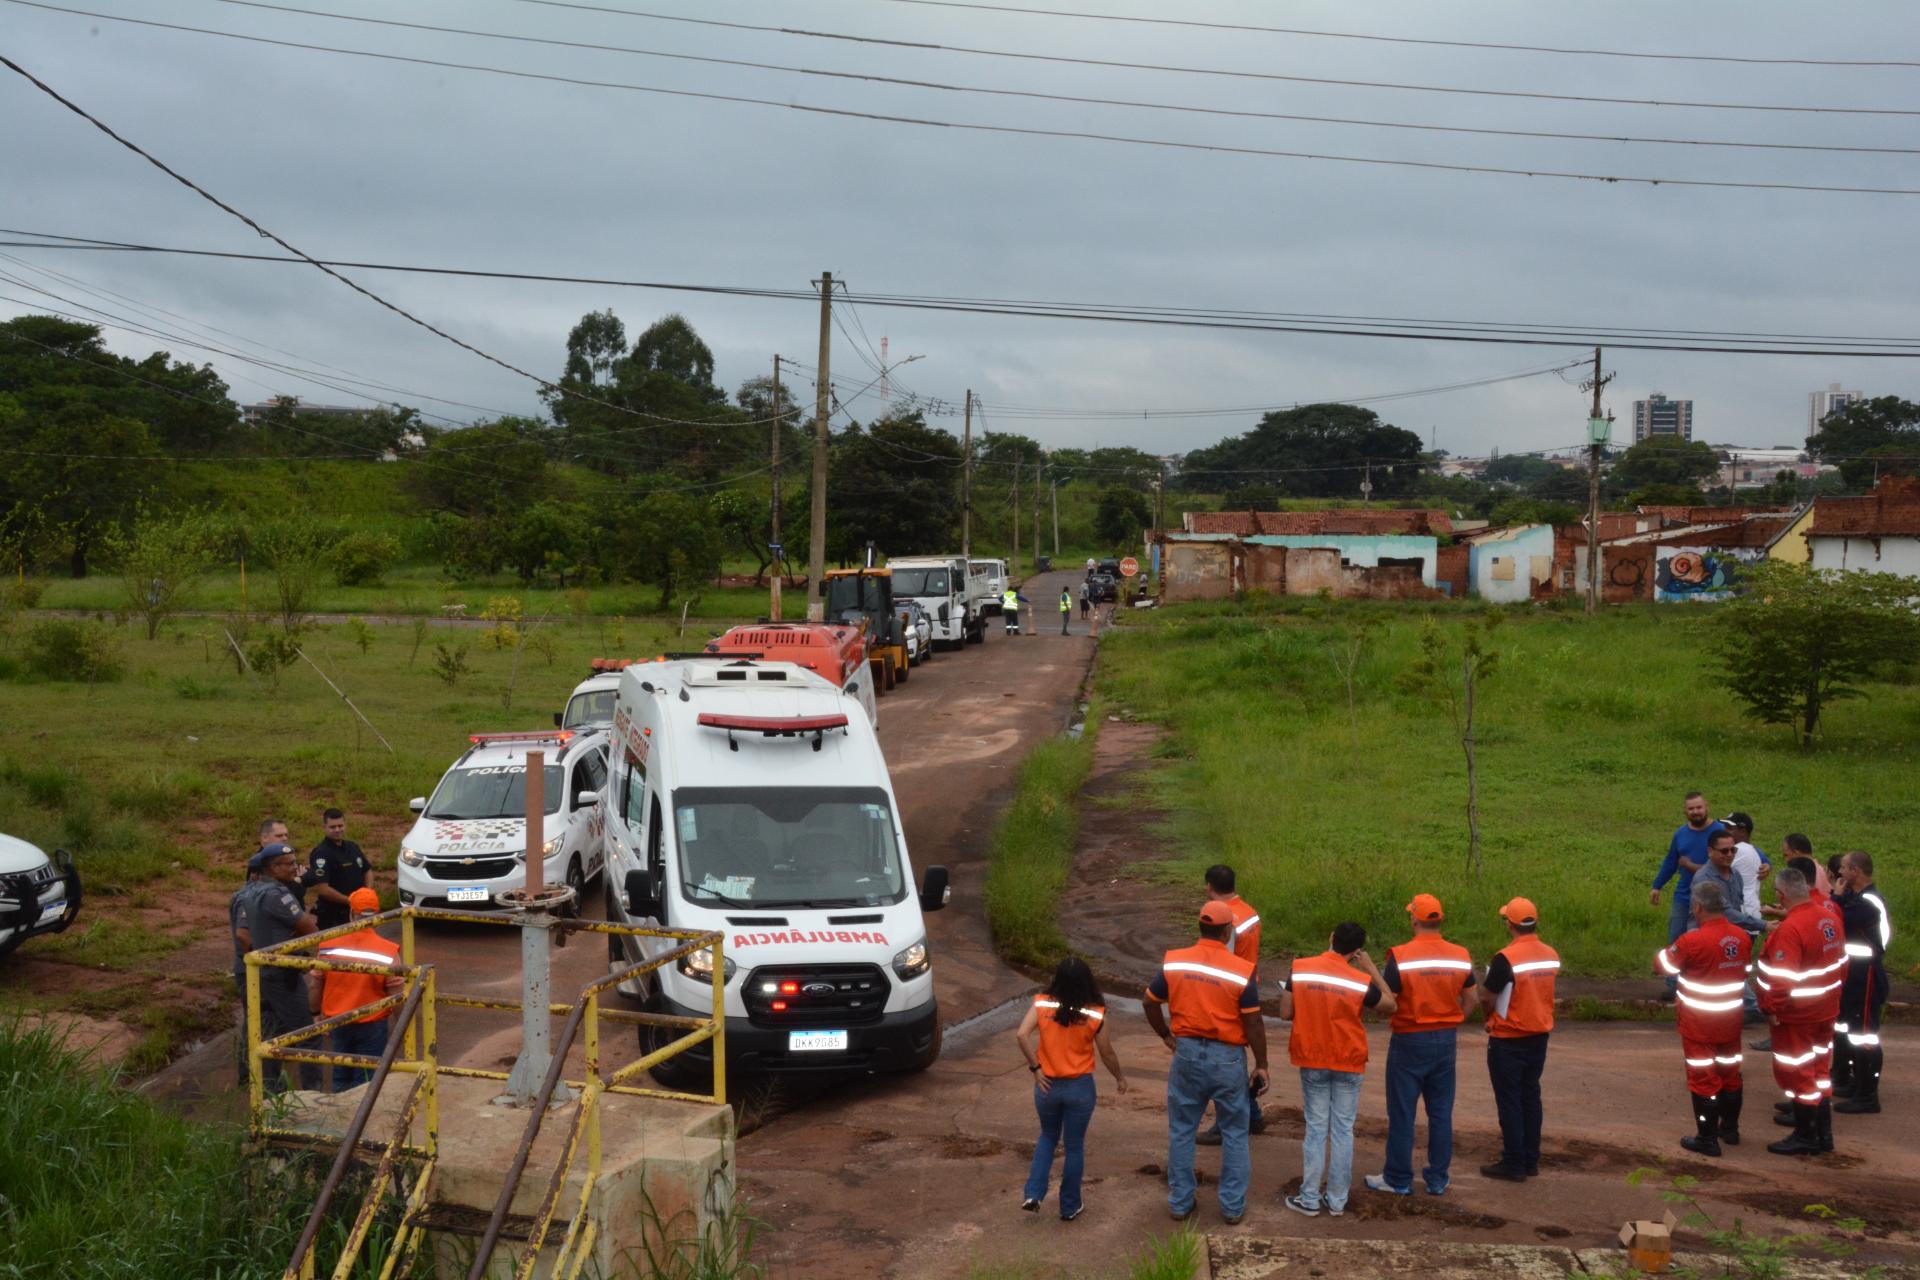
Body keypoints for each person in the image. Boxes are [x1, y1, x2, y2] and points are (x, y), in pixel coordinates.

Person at [1143, 901, 1269, 1226]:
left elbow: (1149, 1000)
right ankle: (1231, 1207)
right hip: (1227, 1058)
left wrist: (1165, 1035)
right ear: (1227, 931)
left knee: (1182, 1130)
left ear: (1199, 926)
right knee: (1235, 1133)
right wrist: (1262, 1064)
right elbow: (1253, 1023)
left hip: (1185, 1053)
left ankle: (1181, 1203)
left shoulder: (1175, 960)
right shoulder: (1241, 971)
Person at [1283, 922, 1394, 1219]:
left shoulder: (1301, 968)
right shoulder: (1359, 980)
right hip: (1349, 1060)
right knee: (1343, 1130)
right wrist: (1371, 968)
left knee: (1316, 1128)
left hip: (1313, 1059)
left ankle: (1309, 1199)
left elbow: (1285, 1012)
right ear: (1356, 951)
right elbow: (1391, 1005)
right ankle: (1337, 1201)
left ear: (1330, 938)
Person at [1367, 893, 1474, 1198]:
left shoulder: (1400, 956)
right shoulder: (1459, 954)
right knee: (1441, 1112)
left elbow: (1388, 1003)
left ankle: (1398, 1178)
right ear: (1439, 920)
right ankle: (1438, 1178)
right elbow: (1472, 998)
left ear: (1414, 919)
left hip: (1409, 1039)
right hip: (1445, 1039)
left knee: (1402, 1112)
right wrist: (1452, 1020)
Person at [1014, 957, 1128, 1221]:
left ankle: (1033, 1194)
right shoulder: (1095, 1013)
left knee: (1047, 1138)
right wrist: (1119, 1077)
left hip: (1047, 1086)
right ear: (1087, 982)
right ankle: (1069, 1206)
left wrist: (1036, 1069)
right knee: (1074, 1146)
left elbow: (1021, 1034)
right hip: (1079, 1088)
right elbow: (1107, 1052)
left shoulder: (1042, 1002)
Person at [1654, 879, 1751, 1157]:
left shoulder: (1692, 940)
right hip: (1731, 1021)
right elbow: (1744, 971)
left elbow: (1663, 965)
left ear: (1697, 907)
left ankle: (1707, 1138)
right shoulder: (1742, 937)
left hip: (1699, 1023)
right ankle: (1730, 1129)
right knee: (1730, 1074)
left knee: (1703, 1079)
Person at [1756, 867, 1846, 1155]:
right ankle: (1823, 1134)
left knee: (1798, 1074)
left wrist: (1771, 1008)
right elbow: (1842, 965)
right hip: (1825, 1009)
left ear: (1781, 896)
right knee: (1819, 1071)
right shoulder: (1829, 918)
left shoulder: (1791, 929)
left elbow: (1782, 979)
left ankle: (1806, 1136)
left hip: (1797, 1017)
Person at [1480, 897, 1560, 1181]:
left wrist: (1487, 1016)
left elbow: (1488, 996)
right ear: (1535, 922)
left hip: (1509, 1038)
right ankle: (1530, 1160)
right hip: (1538, 1036)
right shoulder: (1550, 954)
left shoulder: (1506, 958)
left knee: (1510, 1101)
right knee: (1530, 1097)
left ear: (1510, 925)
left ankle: (1513, 1163)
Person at [245, 843, 321, 1092]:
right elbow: (308, 927)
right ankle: (314, 1096)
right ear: (273, 867)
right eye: (289, 863)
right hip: (282, 973)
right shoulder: (277, 894)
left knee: (271, 1036)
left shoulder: (254, 890)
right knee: (309, 1036)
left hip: (265, 973)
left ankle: (269, 1094)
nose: (294, 868)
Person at [1197, 866, 1265, 1144]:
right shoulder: (1249, 912)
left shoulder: (1223, 919)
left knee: (1226, 1057)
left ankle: (1228, 1122)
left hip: (1230, 990)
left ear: (1209, 886)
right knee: (1234, 1053)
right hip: (1248, 984)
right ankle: (1253, 1115)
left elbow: (1220, 962)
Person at [310, 887, 402, 1091]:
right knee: (367, 1079)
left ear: (351, 913)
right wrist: (402, 1024)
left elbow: (316, 984)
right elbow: (396, 993)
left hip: (337, 1020)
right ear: (377, 915)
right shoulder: (387, 951)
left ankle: (341, 1120)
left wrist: (316, 1013)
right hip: (372, 1023)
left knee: (341, 1076)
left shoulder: (328, 946)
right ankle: (363, 1120)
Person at [1833, 851, 1891, 1116]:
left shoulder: (1866, 902)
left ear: (1855, 871)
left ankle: (1868, 1095)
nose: (1839, 873)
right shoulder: (1858, 899)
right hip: (1854, 973)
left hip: (1865, 975)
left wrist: (1835, 895)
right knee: (1851, 1029)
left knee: (1864, 1034)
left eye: (1843, 869)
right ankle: (1854, 1083)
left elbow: (1835, 919)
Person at [229, 817, 285, 1084]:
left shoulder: (271, 876)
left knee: (262, 1020)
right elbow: (243, 932)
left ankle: (255, 1076)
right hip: (254, 966)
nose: (285, 840)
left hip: (258, 962)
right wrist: (262, 955)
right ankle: (255, 1079)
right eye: (279, 836)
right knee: (260, 1020)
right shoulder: (254, 884)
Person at [1650, 794, 1724, 995]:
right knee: (1676, 940)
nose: (1696, 812)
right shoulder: (1680, 834)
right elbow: (1671, 861)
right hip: (1683, 897)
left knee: (1707, 943)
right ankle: (1673, 986)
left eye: (1699, 807)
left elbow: (1724, 863)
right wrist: (1657, 885)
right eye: (1691, 809)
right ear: (1685, 811)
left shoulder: (1719, 832)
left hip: (1711, 900)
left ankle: (1705, 983)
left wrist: (1765, 864)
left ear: (1706, 806)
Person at [307, 807, 372, 932]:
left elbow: (367, 870)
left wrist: (367, 893)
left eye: (340, 826)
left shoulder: (352, 847)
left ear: (345, 825)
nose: (337, 830)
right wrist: (352, 901)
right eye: (332, 827)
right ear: (324, 827)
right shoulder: (321, 854)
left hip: (358, 911)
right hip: (333, 917)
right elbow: (323, 889)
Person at [1692, 831, 1767, 936]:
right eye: (1724, 851)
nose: (1730, 854)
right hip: (1707, 937)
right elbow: (1725, 912)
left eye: (1733, 850)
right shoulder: (1703, 878)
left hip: (1730, 935)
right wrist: (1763, 925)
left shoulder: (1736, 874)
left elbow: (1738, 907)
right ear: (1710, 851)